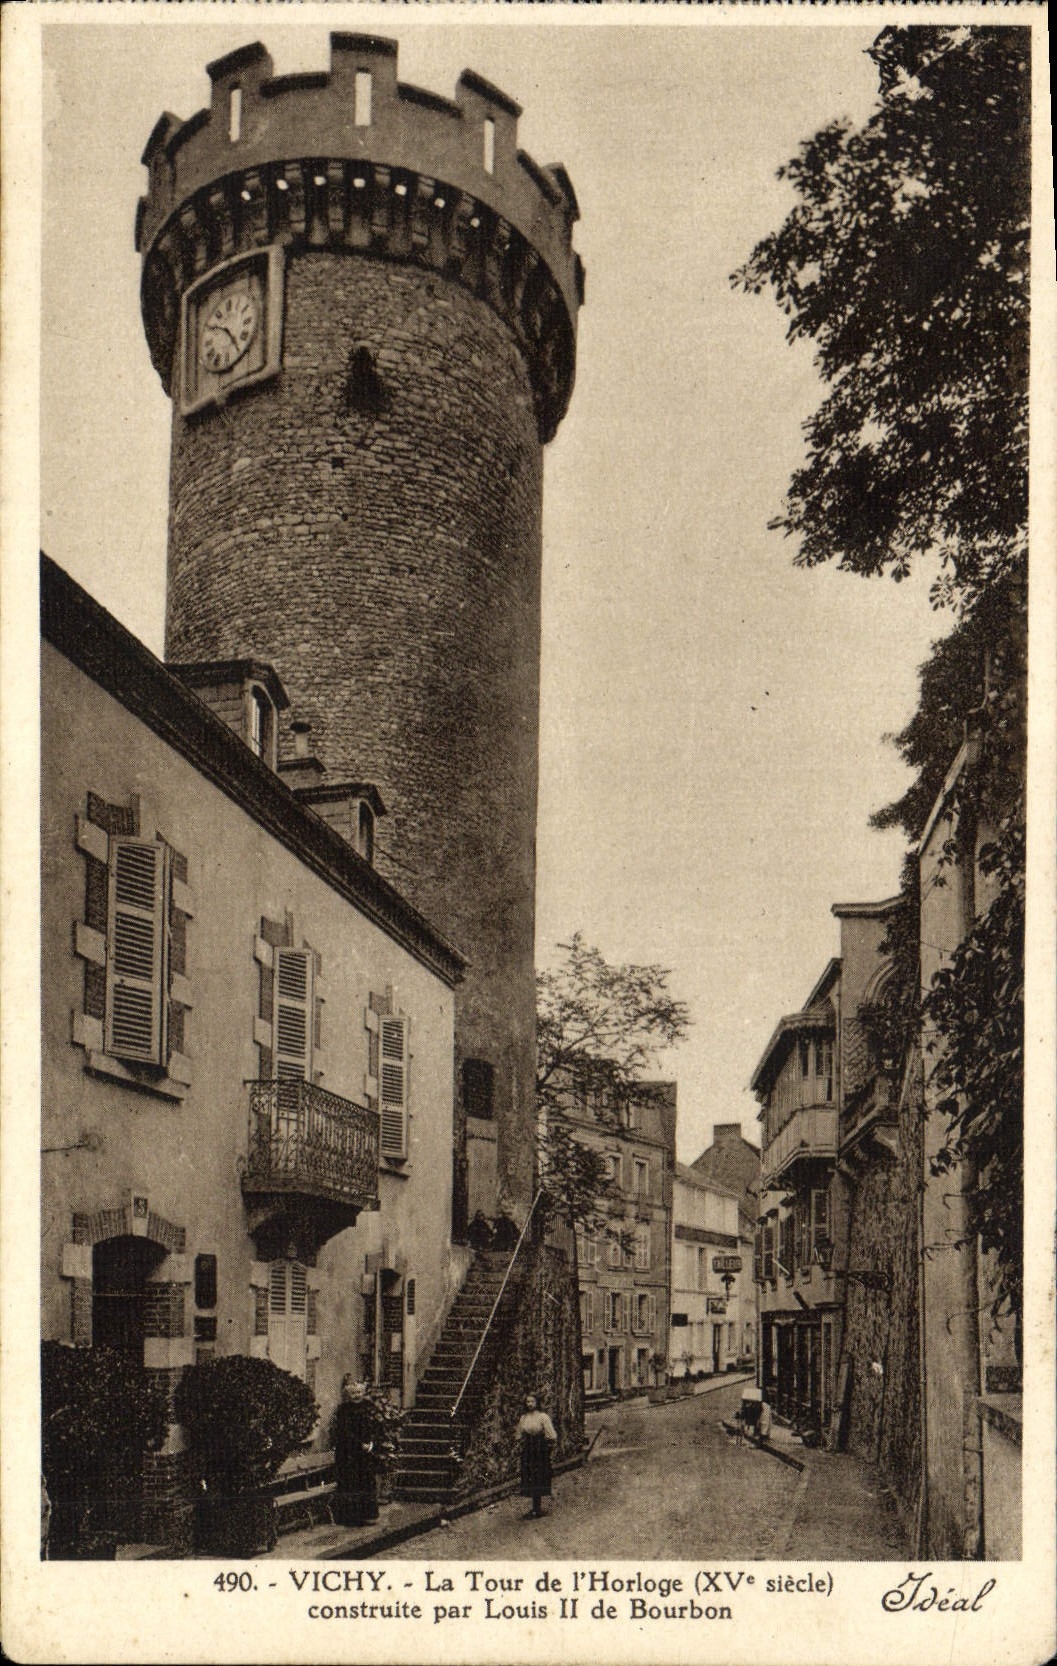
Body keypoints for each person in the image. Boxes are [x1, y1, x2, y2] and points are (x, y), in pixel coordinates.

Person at [333, 1377, 380, 1527]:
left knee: (366, 1482)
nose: (357, 1395)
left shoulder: (368, 1406)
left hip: (365, 1453)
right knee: (351, 1483)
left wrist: (372, 1442)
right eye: (353, 1393)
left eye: (359, 1392)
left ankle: (367, 1515)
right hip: (349, 1453)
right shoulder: (344, 1410)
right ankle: (351, 1517)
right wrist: (359, 1445)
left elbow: (375, 1426)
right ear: (348, 1395)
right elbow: (345, 1432)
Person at [516, 1393, 557, 1519]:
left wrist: (549, 1447)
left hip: (540, 1448)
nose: (530, 1404)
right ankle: (534, 1508)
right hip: (528, 1448)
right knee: (529, 1475)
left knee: (539, 1474)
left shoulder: (542, 1417)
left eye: (532, 1401)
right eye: (528, 1402)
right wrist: (519, 1444)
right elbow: (519, 1434)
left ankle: (537, 1508)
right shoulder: (523, 1418)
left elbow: (551, 1435)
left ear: (537, 1402)